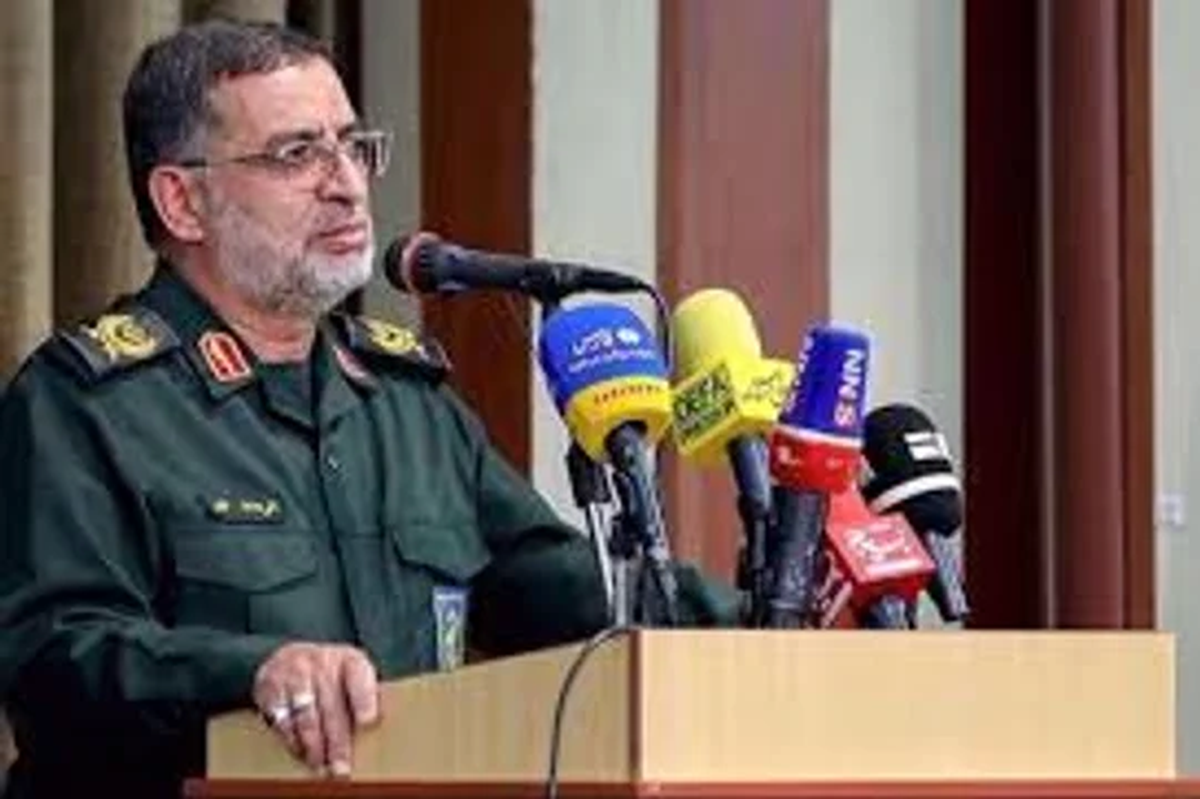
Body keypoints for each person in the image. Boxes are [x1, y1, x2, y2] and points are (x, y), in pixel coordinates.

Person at [0, 20, 736, 799]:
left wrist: (769, 620)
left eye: (353, 146)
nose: (347, 182)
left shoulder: (407, 402)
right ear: (183, 202)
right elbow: (52, 658)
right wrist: (252, 672)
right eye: (297, 154)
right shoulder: (87, 402)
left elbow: (569, 597)